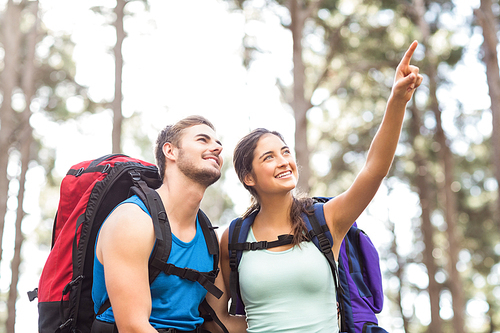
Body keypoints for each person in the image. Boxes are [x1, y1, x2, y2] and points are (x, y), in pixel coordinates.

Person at [212, 41, 423, 333]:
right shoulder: (232, 238)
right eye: (269, 157)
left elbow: (374, 170)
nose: (284, 161)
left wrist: (397, 100)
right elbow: (216, 318)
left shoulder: (326, 219)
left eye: (286, 152)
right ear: (249, 178)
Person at [91, 115, 235, 333]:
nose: (216, 148)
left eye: (218, 143)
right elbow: (133, 327)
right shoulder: (133, 220)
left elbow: (216, 323)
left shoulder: (209, 238)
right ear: (171, 151)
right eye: (203, 140)